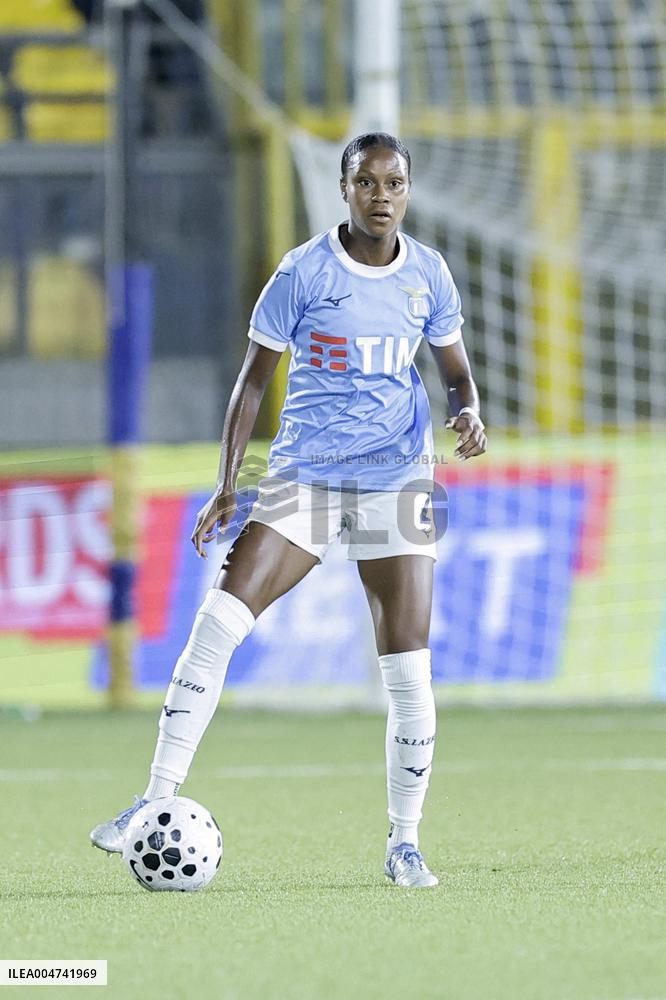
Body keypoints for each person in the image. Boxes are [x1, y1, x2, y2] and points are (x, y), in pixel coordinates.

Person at [90, 132, 487, 888]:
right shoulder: (302, 273)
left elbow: (457, 375)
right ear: (344, 189)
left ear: (408, 189)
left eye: (394, 182)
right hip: (303, 479)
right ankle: (152, 800)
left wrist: (469, 413)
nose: (381, 196)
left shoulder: (428, 276)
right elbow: (250, 384)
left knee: (407, 669)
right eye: (366, 182)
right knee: (216, 625)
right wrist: (226, 481)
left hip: (397, 480)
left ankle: (405, 842)